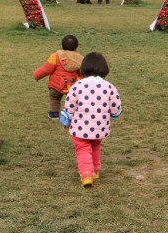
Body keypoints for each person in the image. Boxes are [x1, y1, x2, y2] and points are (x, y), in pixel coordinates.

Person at [60, 52, 121, 187]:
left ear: (83, 68)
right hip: (100, 127)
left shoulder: (77, 86)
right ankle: (95, 171)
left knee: (82, 148)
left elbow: (70, 106)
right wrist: (114, 114)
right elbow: (115, 108)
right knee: (95, 145)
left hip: (80, 127)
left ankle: (86, 174)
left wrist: (66, 121)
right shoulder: (109, 86)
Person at [33, 34, 83, 119]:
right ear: (76, 47)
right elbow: (83, 72)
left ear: (62, 46)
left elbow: (46, 68)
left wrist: (37, 75)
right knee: (73, 100)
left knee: (54, 98)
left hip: (57, 84)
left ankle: (54, 114)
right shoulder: (80, 58)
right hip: (73, 85)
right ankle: (73, 113)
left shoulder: (56, 56)